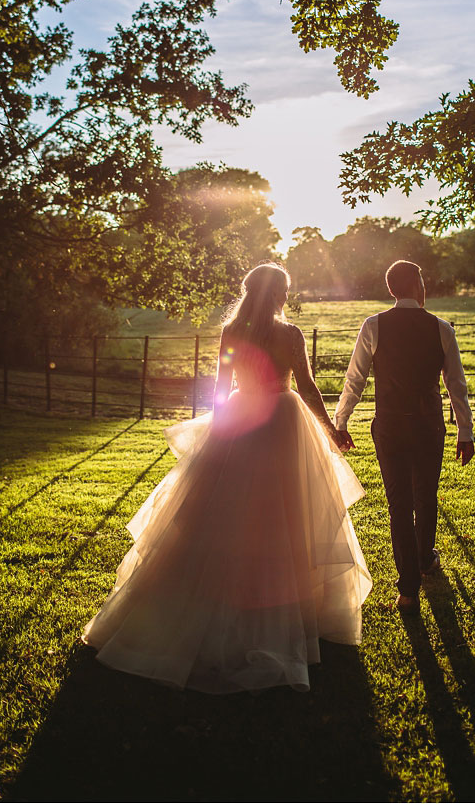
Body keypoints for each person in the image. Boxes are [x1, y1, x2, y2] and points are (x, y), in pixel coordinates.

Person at [82, 264, 371, 693]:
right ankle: (281, 611)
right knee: (283, 518)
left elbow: (219, 386)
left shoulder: (232, 330)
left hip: (239, 419)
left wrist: (221, 433)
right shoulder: (289, 334)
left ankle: (213, 604)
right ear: (281, 293)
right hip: (281, 422)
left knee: (222, 516)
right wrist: (331, 429)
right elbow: (307, 388)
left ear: (247, 290)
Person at [334, 260, 474, 612]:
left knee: (399, 505)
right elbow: (456, 384)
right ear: (416, 284)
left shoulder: (373, 326)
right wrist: (465, 431)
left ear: (391, 289)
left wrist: (341, 421)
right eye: (423, 280)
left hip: (391, 427)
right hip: (429, 426)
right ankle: (425, 560)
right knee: (426, 497)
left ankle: (408, 591)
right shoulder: (442, 328)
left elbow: (355, 379)